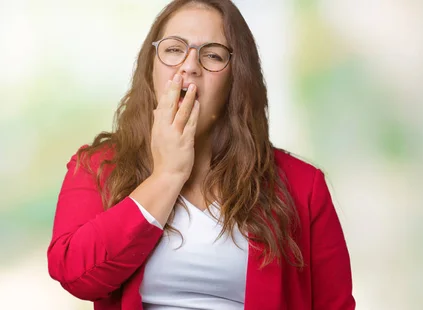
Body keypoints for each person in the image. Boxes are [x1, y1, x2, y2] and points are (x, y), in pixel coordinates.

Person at [47, 0, 355, 309]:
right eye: (173, 49)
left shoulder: (303, 185)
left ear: (236, 79)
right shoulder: (98, 166)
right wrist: (167, 175)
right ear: (150, 68)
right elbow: (74, 275)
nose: (189, 65)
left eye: (212, 55)